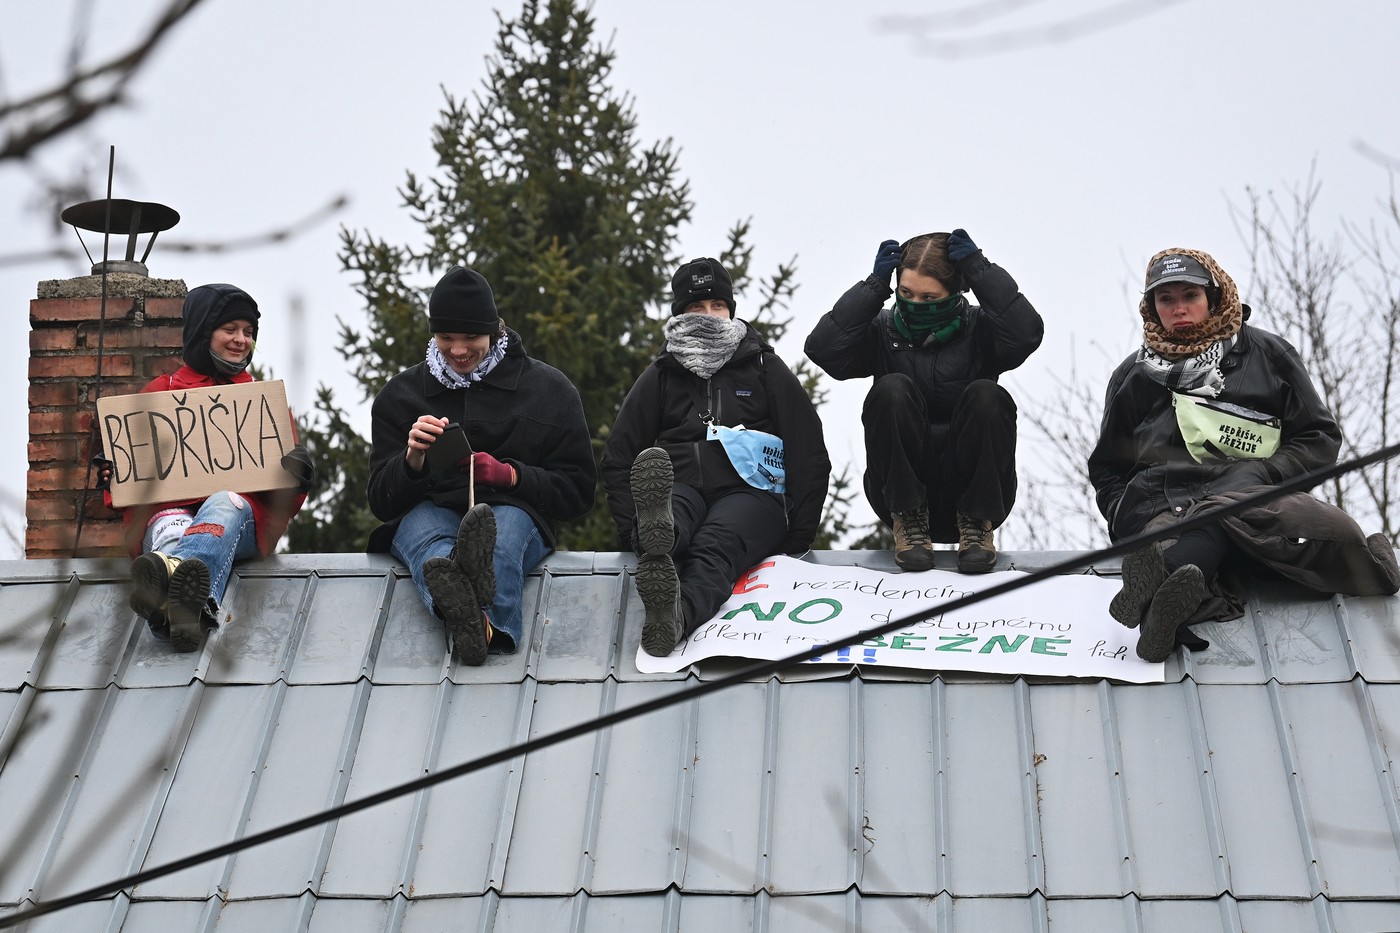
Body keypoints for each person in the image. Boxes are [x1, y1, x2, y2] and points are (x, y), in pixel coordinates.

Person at [1088, 248, 1400, 662]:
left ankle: (1157, 600)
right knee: (1207, 530)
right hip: (1163, 506)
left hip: (1255, 497)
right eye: (1166, 299)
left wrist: (1265, 474)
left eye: (1190, 296)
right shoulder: (1133, 376)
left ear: (1214, 297)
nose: (1179, 309)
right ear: (1151, 307)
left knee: (1340, 532)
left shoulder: (1270, 355)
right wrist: (1120, 515)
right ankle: (1161, 592)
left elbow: (1319, 437)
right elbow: (1108, 468)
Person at [603, 257, 831, 657]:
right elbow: (620, 455)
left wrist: (797, 533)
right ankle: (653, 539)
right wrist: (630, 533)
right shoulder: (661, 374)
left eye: (717, 305)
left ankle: (675, 616)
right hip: (681, 486)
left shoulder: (764, 366)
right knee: (669, 516)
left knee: (714, 546)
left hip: (751, 495)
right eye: (696, 307)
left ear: (730, 309)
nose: (709, 315)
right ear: (680, 313)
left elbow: (807, 447)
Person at [367, 265, 595, 666]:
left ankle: (485, 624)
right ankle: (476, 621)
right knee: (433, 553)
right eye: (446, 337)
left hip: (515, 508)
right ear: (432, 335)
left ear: (494, 331)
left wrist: (512, 476)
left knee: (497, 544)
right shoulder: (398, 397)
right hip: (429, 508)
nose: (458, 350)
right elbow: (381, 503)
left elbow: (578, 492)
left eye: (470, 337)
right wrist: (412, 460)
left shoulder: (550, 390)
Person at [805, 230, 1042, 574]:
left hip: (978, 492)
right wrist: (873, 287)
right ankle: (909, 519)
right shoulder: (882, 330)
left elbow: (1026, 333)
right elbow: (823, 349)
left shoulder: (980, 329)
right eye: (906, 293)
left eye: (929, 297)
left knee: (987, 395)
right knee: (891, 389)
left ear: (955, 292)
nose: (916, 304)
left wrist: (978, 269)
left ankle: (976, 526)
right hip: (899, 496)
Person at [99, 283, 313, 652]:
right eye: (230, 329)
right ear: (203, 332)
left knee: (223, 502)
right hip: (166, 519)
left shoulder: (263, 404)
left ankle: (167, 588)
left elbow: (285, 502)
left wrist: (297, 478)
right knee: (171, 526)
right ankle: (185, 614)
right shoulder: (158, 394)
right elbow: (126, 488)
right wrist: (113, 474)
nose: (241, 340)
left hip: (238, 522)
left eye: (248, 332)